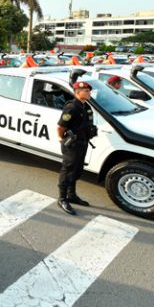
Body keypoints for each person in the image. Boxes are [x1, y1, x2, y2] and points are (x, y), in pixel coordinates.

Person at [56, 81, 96, 215]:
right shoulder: (71, 107)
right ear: (78, 92)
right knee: (68, 170)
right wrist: (62, 139)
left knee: (77, 170)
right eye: (86, 91)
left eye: (89, 91)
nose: (89, 93)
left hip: (82, 143)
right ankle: (62, 198)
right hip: (72, 144)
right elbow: (60, 127)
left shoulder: (86, 106)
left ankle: (71, 195)